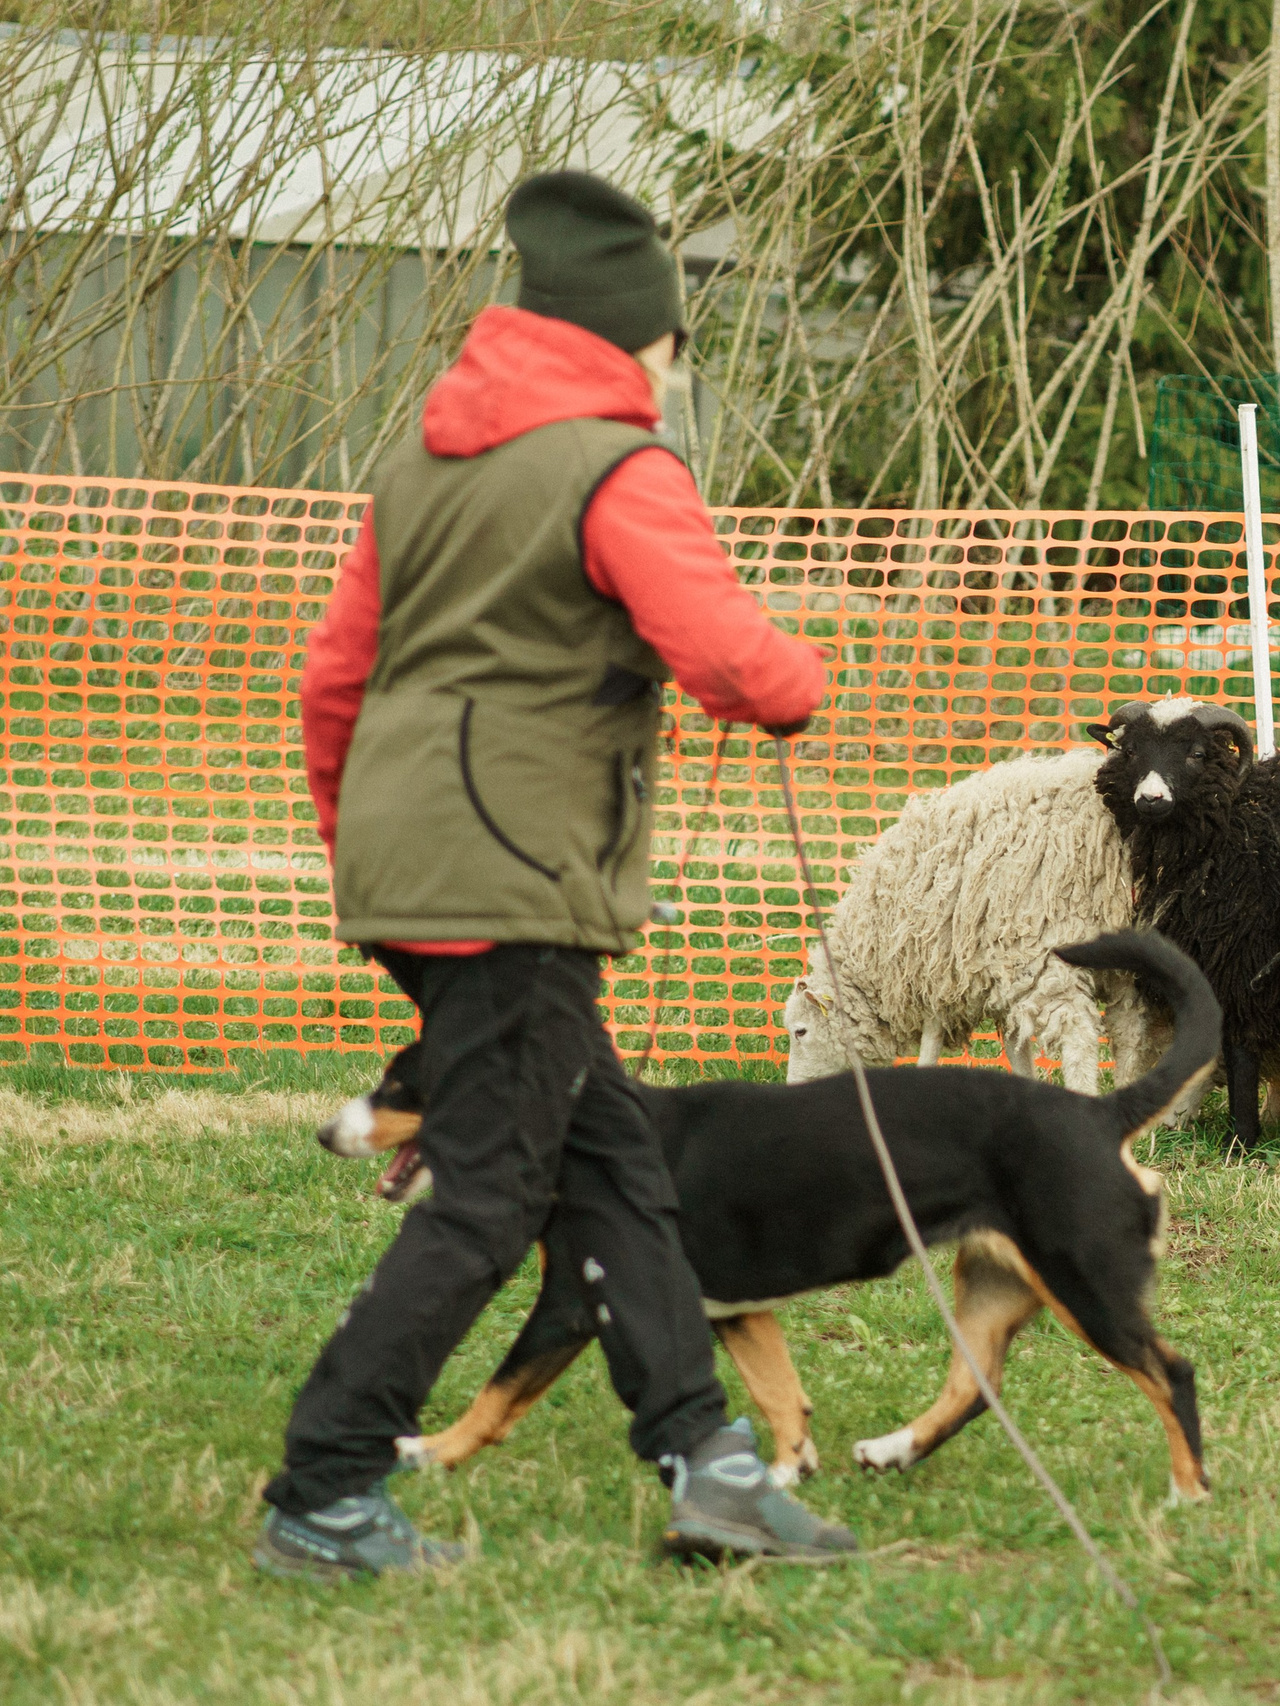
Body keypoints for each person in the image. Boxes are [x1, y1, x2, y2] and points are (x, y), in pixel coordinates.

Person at [256, 170, 853, 1580]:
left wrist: (368, 846)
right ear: (631, 339)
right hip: (514, 875)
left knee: (612, 1166)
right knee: (491, 1191)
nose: (671, 367)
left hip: (416, 862)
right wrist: (792, 681)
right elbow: (728, 656)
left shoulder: (422, 462)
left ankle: (709, 1467)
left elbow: (335, 675)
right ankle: (326, 1487)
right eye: (670, 342)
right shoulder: (616, 466)